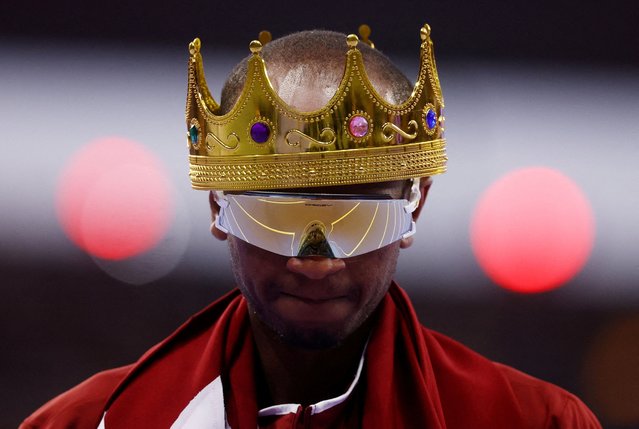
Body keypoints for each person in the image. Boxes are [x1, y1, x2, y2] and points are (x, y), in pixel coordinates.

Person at [22, 25, 601, 428]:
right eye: (277, 213)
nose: (315, 259)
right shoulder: (88, 422)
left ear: (414, 205)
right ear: (218, 207)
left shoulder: (537, 421)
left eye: (358, 216)